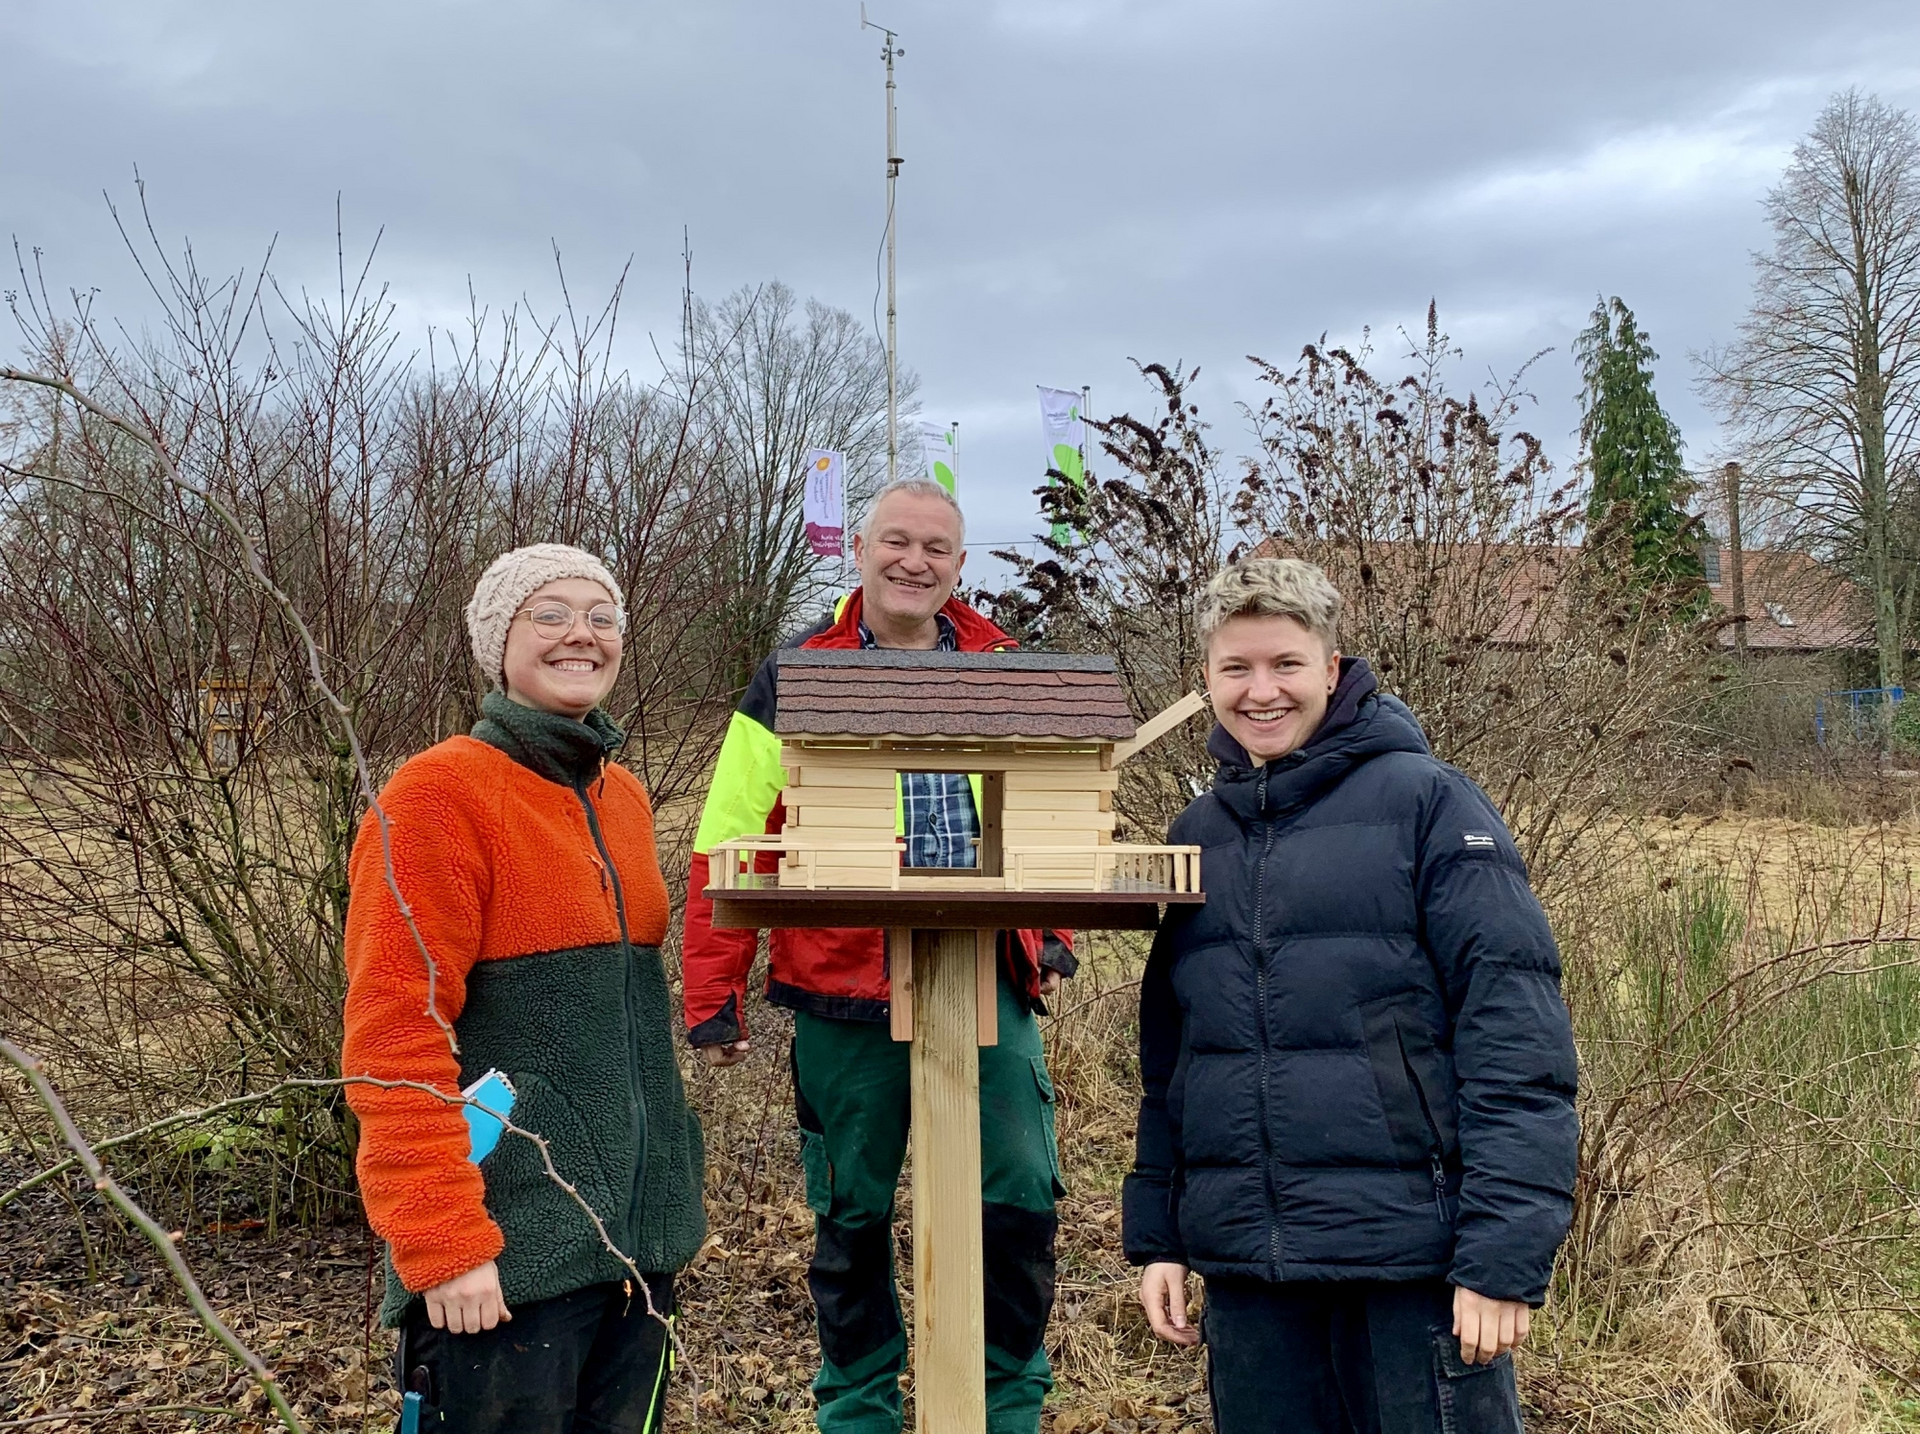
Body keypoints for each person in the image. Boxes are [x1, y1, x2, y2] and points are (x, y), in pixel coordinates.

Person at [1123, 558, 1578, 1434]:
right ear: (1206, 679)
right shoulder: (1197, 837)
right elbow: (1176, 1056)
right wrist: (1161, 1235)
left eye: (1286, 664)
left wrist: (1502, 1258)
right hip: (1251, 1274)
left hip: (1413, 1267)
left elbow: (1517, 1040)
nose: (1262, 692)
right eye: (1236, 668)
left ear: (1332, 668)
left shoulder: (1431, 806)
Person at [682, 478, 1076, 1434]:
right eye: (897, 541)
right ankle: (859, 1409)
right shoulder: (794, 677)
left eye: (936, 547)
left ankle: (1003, 1404)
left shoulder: (1006, 666)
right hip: (837, 988)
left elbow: (1048, 808)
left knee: (1019, 1199)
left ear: (960, 565)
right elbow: (729, 834)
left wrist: (1050, 933)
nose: (915, 561)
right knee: (850, 1218)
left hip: (985, 982)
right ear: (858, 549)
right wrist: (712, 990)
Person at [341, 543, 706, 1434]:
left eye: (601, 616)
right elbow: (393, 1039)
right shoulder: (435, 798)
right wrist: (441, 1242)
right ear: (498, 640)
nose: (581, 634)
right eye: (550, 614)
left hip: (634, 1251)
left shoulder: (621, 797)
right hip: (502, 1270)